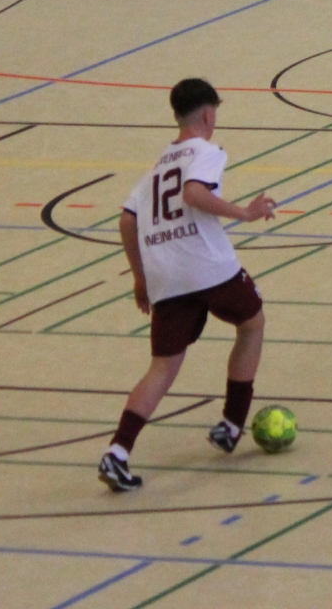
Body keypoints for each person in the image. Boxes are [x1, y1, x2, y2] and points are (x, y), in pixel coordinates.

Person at [99, 78, 276, 492]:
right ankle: (231, 424)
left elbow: (127, 220)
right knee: (252, 323)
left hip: (166, 273)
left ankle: (118, 452)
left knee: (163, 366)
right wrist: (245, 213)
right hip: (207, 266)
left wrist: (141, 278)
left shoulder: (159, 165)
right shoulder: (206, 151)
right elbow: (195, 193)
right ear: (209, 114)